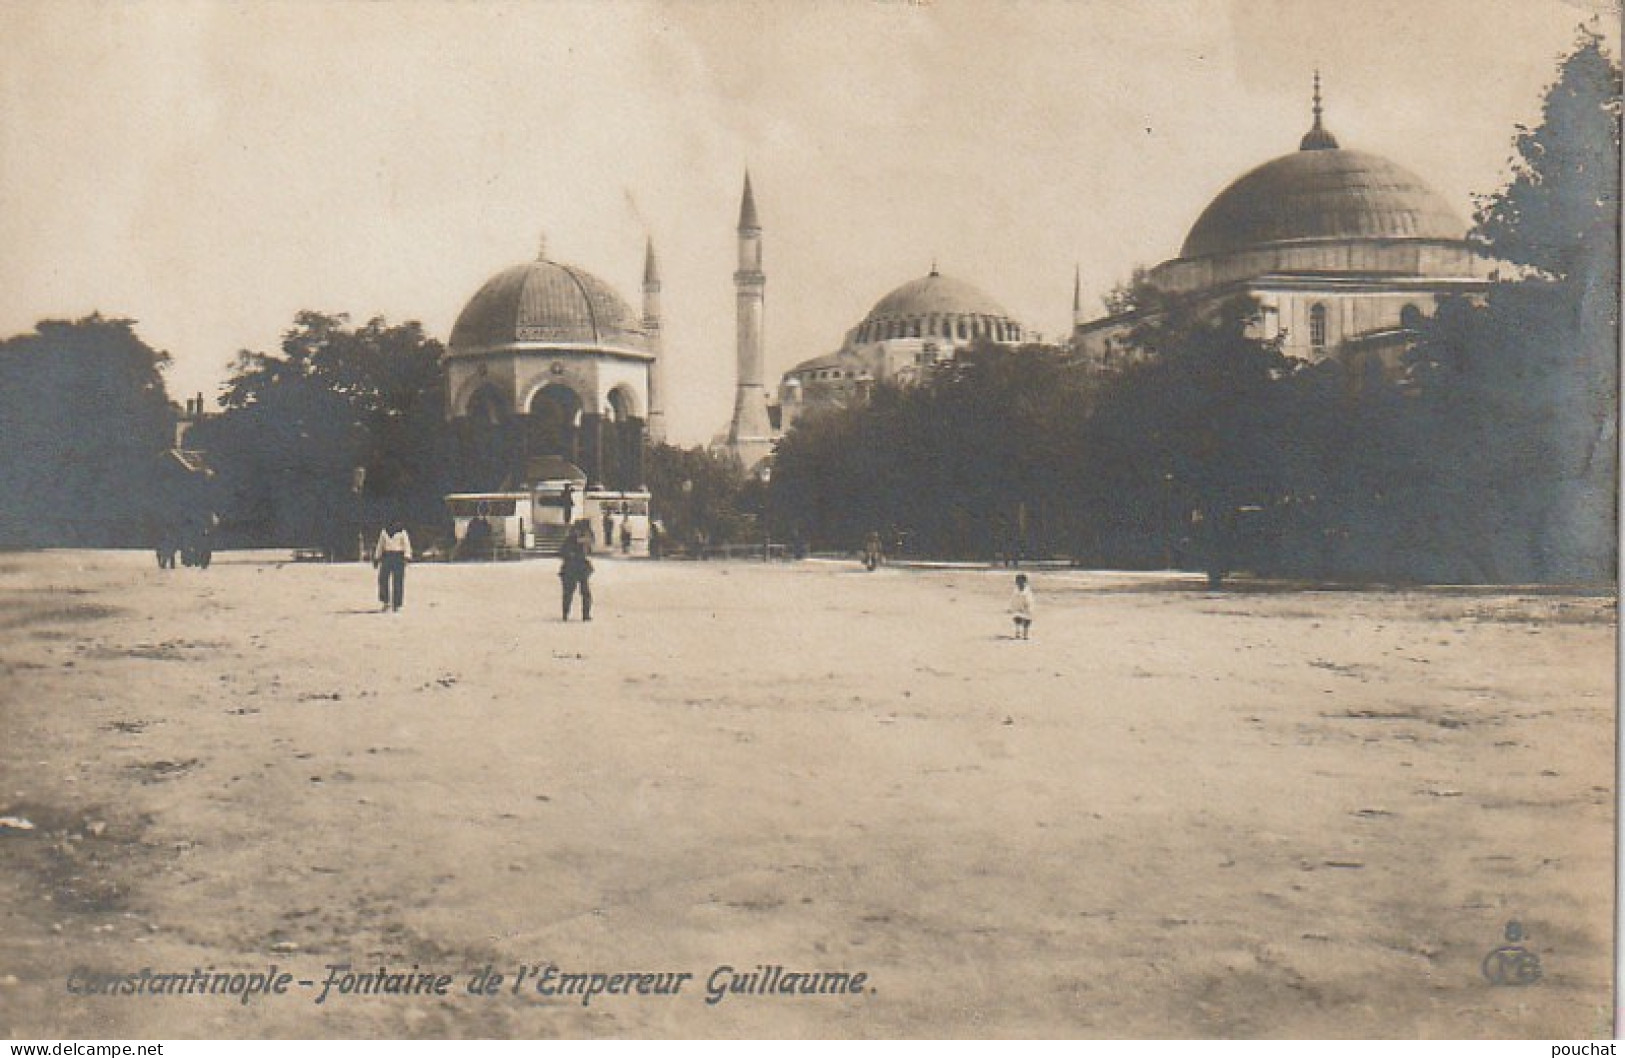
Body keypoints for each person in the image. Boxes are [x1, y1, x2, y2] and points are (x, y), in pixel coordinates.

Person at [373, 518, 412, 612]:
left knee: (398, 581)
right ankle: (385, 601)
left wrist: (407, 557)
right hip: (387, 556)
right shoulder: (384, 532)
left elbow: (406, 545)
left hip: (398, 556)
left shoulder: (402, 532)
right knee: (383, 579)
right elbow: (380, 545)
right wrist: (376, 558)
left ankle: (397, 604)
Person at [558, 521, 594, 621]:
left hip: (578, 568)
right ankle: (567, 613)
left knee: (582, 593)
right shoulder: (570, 540)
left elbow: (588, 551)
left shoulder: (582, 542)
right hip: (572, 568)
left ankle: (584, 614)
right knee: (570, 593)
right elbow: (563, 552)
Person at [1008, 573, 1035, 640]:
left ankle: (1025, 634)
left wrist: (1027, 608)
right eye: (1018, 582)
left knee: (1027, 620)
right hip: (1017, 608)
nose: (1020, 583)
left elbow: (1030, 601)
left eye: (1021, 582)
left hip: (1026, 608)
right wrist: (1012, 608)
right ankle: (1018, 633)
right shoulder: (1015, 591)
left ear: (1025, 582)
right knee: (1017, 618)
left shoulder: (1027, 591)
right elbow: (1013, 600)